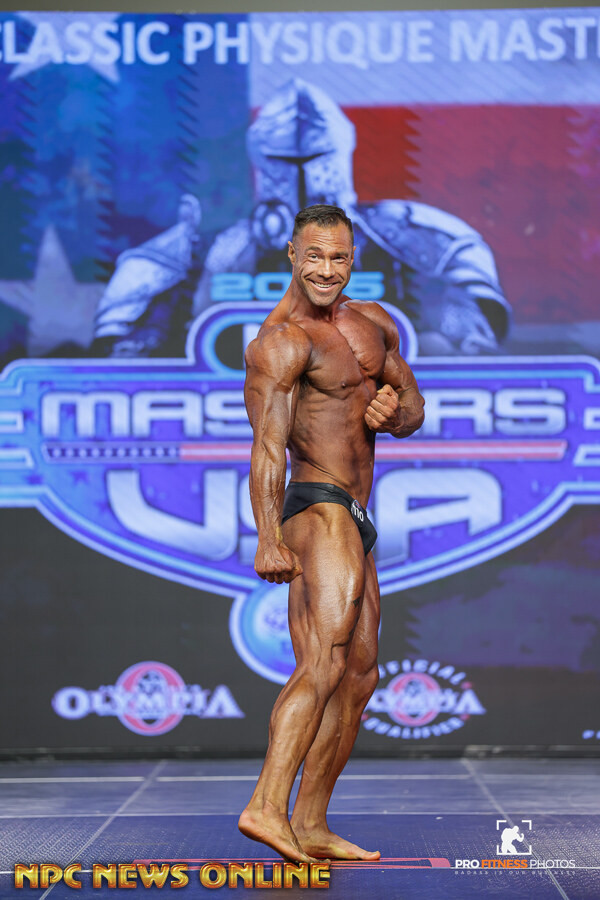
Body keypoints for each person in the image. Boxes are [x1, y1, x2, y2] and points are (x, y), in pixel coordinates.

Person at [239, 204, 425, 862]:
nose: (325, 269)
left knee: (360, 675)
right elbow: (267, 448)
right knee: (323, 660)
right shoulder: (281, 342)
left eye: (338, 257)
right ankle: (266, 806)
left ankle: (311, 821)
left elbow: (412, 407)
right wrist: (268, 536)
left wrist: (393, 412)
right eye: (314, 256)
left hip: (358, 511)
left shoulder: (372, 323)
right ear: (291, 255)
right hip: (317, 506)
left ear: (353, 259)